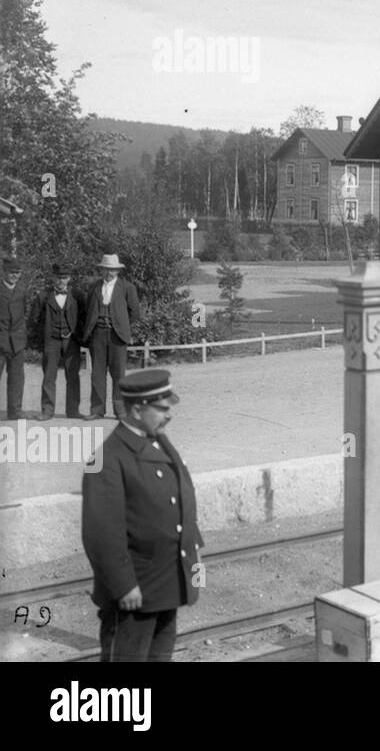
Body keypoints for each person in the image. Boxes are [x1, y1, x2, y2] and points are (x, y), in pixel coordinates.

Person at [81, 369, 203, 662]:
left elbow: (180, 499)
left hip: (167, 579)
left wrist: (191, 557)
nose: (169, 414)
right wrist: (123, 585)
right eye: (162, 408)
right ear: (137, 409)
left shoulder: (157, 440)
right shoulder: (107, 459)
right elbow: (101, 533)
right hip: (135, 588)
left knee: (160, 657)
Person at [81, 253, 140, 419]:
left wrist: (121, 325)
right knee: (97, 374)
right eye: (106, 269)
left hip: (117, 335)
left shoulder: (128, 288)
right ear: (101, 270)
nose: (109, 273)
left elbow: (134, 313)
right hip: (97, 334)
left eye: (112, 270)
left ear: (118, 271)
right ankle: (97, 410)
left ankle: (120, 411)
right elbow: (88, 309)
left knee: (118, 374)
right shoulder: (93, 287)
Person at [30, 262, 82, 420]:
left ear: (69, 278)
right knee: (49, 376)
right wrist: (44, 339)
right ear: (53, 278)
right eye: (58, 277)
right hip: (51, 341)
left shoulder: (77, 295)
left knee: (73, 376)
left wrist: (77, 335)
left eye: (64, 277)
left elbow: (84, 317)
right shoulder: (43, 296)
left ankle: (73, 411)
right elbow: (34, 320)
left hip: (71, 341)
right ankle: (47, 410)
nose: (61, 280)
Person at [1, 257, 29, 420]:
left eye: (17, 273)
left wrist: (20, 335)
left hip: (17, 341)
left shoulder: (22, 290)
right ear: (4, 272)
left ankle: (14, 411)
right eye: (11, 272)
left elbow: (22, 312)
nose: (14, 276)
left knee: (17, 378)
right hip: (1, 339)